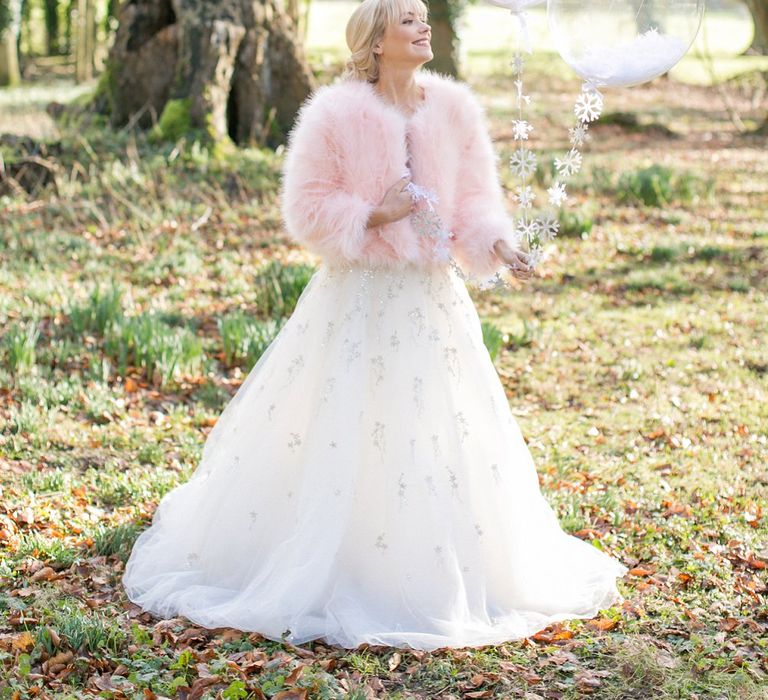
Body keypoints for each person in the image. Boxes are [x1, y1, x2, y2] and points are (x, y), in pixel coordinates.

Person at [122, 0, 628, 651]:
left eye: (424, 17)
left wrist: (498, 245)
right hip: (357, 298)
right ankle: (339, 562)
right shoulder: (334, 114)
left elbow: (475, 201)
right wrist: (376, 213)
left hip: (432, 298)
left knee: (436, 426)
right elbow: (305, 208)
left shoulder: (454, 110)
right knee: (347, 423)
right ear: (376, 40)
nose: (423, 28)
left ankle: (429, 568)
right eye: (409, 20)